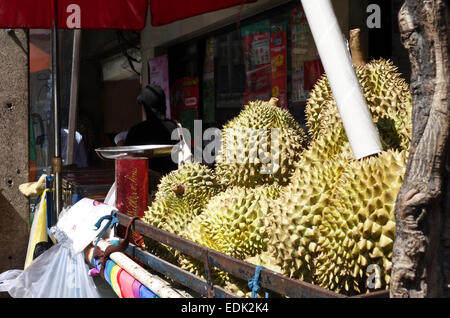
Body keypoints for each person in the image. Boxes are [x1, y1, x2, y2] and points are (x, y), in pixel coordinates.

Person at [124, 84, 178, 175]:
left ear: (145, 108)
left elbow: (128, 163)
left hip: (145, 184)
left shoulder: (136, 131)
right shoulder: (176, 127)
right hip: (174, 184)